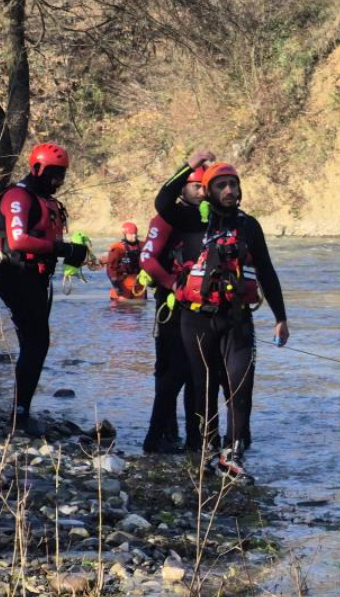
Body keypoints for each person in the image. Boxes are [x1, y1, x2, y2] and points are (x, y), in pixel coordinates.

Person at [156, 149, 289, 482]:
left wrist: (281, 318)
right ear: (208, 191)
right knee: (203, 388)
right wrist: (189, 164)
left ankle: (233, 453)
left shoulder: (249, 226)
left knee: (240, 386)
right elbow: (163, 201)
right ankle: (207, 450)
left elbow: (266, 271)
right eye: (221, 185)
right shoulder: (193, 220)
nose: (229, 190)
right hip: (196, 319)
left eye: (234, 184)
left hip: (237, 319)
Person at [0, 143, 89, 436]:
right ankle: (20, 414)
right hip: (15, 274)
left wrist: (71, 252)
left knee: (37, 343)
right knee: (36, 342)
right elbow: (18, 240)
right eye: (53, 174)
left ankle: (21, 410)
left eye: (61, 174)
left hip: (37, 277)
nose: (58, 180)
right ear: (37, 169)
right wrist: (63, 249)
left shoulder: (43, 199)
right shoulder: (18, 196)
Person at [138, 166, 208, 453]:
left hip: (202, 306)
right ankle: (159, 436)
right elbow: (147, 259)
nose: (202, 192)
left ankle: (193, 438)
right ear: (183, 189)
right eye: (196, 186)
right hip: (171, 305)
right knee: (172, 370)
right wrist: (172, 285)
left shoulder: (210, 218)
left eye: (205, 186)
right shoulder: (166, 217)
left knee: (195, 374)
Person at [104, 222, 146, 301]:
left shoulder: (143, 246)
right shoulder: (117, 248)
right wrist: (117, 288)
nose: (133, 236)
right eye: (131, 234)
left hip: (139, 284)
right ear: (125, 234)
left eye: (135, 234)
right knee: (122, 307)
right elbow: (111, 269)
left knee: (141, 306)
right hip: (122, 285)